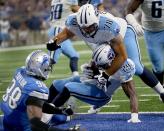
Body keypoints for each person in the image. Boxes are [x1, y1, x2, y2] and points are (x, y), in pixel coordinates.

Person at [46, 44, 141, 123]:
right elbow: (94, 64)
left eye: (103, 65)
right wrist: (91, 70)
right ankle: (46, 106)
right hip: (94, 83)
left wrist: (134, 116)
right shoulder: (104, 50)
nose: (101, 67)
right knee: (57, 84)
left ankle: (50, 114)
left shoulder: (125, 67)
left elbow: (132, 93)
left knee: (69, 87)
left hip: (102, 94)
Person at [0, 50, 80, 131]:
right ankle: (67, 117)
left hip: (7, 122)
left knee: (50, 108)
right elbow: (35, 126)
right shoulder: (36, 88)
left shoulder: (20, 72)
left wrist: (60, 110)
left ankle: (64, 112)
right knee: (54, 116)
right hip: (21, 128)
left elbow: (32, 102)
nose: (49, 68)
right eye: (47, 66)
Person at [125, 0, 164, 87]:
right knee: (158, 68)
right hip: (152, 33)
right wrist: (134, 24)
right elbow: (128, 9)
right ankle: (162, 89)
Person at [48, 0, 80, 76]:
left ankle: (76, 76)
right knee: (51, 59)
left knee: (74, 56)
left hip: (59, 30)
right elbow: (78, 10)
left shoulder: (54, 1)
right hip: (58, 30)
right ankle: (36, 76)